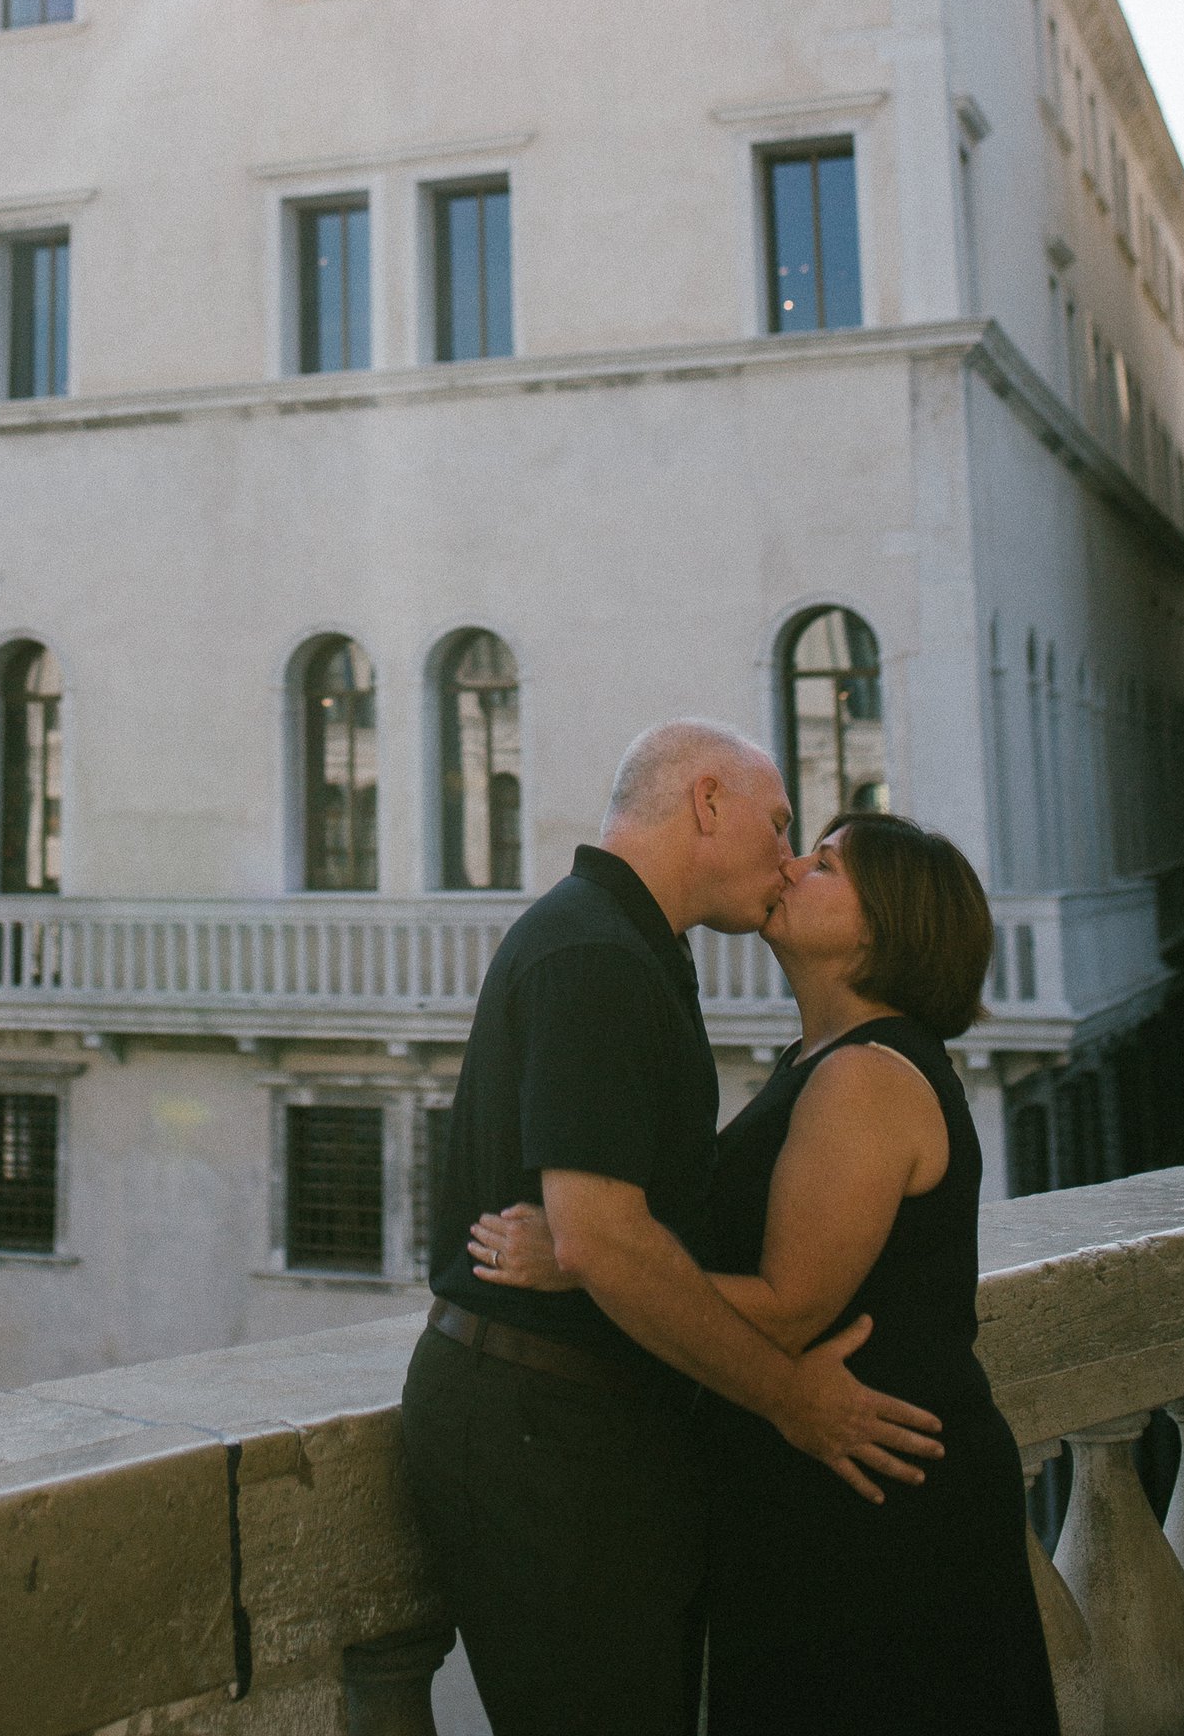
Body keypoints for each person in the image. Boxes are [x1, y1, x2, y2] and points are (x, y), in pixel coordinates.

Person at [401, 721, 944, 1736]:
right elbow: (602, 1238)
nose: (786, 858)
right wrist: (796, 1402)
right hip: (544, 1443)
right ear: (705, 804)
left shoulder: (625, 947)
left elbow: (610, 1240)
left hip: (585, 1434)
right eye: (779, 824)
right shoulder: (594, 956)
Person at [471, 809, 1059, 1736]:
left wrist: (586, 1262)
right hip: (829, 1489)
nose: (789, 866)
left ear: (880, 925)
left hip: (876, 1504)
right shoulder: (820, 1061)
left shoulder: (865, 1079)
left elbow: (788, 1310)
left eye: (822, 863)